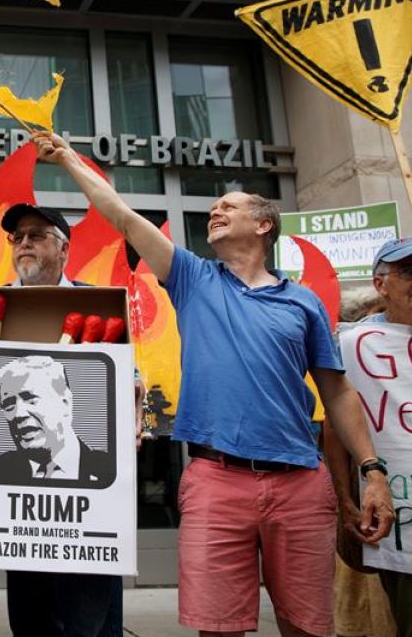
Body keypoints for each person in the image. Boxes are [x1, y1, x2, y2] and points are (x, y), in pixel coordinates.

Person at [32, 131, 394, 637]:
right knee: (217, 629)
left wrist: (372, 471)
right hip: (215, 481)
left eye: (230, 205)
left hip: (299, 483)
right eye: (213, 208)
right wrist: (69, 157)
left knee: (308, 627)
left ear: (264, 224)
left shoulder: (304, 302)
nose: (215, 211)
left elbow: (337, 393)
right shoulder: (193, 278)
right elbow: (120, 215)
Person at [0, 203, 125, 637]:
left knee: (89, 623)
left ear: (63, 249)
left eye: (36, 235)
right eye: (17, 237)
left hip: (85, 505)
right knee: (30, 621)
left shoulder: (97, 305)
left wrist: (133, 391)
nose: (23, 242)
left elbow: (127, 378)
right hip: (18, 504)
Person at [327, 239, 411, 636]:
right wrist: (346, 500)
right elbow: (336, 428)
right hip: (399, 516)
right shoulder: (354, 346)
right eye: (407, 272)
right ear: (381, 284)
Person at [0, 355, 110, 484]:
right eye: (8, 405)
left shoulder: (111, 471)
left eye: (30, 398)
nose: (18, 414)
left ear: (65, 403)